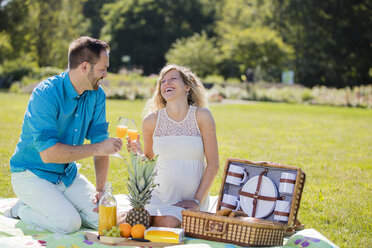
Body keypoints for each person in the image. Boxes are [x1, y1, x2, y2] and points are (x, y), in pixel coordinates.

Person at [6, 36, 123, 234]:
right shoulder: (45, 94)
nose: (105, 74)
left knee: (107, 222)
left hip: (67, 175)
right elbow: (49, 154)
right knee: (69, 223)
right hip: (32, 174)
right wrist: (99, 147)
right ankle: (22, 209)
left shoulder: (97, 95)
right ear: (85, 67)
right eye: (103, 69)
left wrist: (100, 190)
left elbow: (99, 142)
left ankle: (57, 201)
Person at [125, 64, 219, 228]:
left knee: (166, 222)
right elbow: (148, 162)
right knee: (135, 223)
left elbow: (213, 165)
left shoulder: (202, 116)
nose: (166, 83)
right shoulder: (151, 121)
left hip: (191, 200)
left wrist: (196, 201)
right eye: (162, 81)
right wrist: (138, 152)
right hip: (158, 196)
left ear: (187, 87)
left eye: (173, 79)